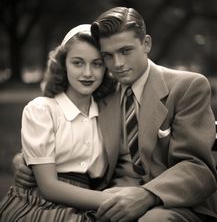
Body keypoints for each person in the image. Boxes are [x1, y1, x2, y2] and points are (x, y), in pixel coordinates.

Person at [10, 7, 217, 222]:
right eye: (108, 56)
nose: (118, 64)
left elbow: (199, 168)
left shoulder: (187, 87)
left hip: (173, 203)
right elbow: (69, 131)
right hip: (112, 199)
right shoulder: (103, 94)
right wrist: (23, 159)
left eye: (125, 51)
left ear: (146, 44)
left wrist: (147, 195)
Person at [0, 23, 136, 222]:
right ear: (63, 65)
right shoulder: (43, 109)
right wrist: (113, 200)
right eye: (78, 63)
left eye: (97, 64)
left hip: (86, 203)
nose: (88, 73)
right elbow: (48, 187)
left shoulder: (109, 114)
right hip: (39, 203)